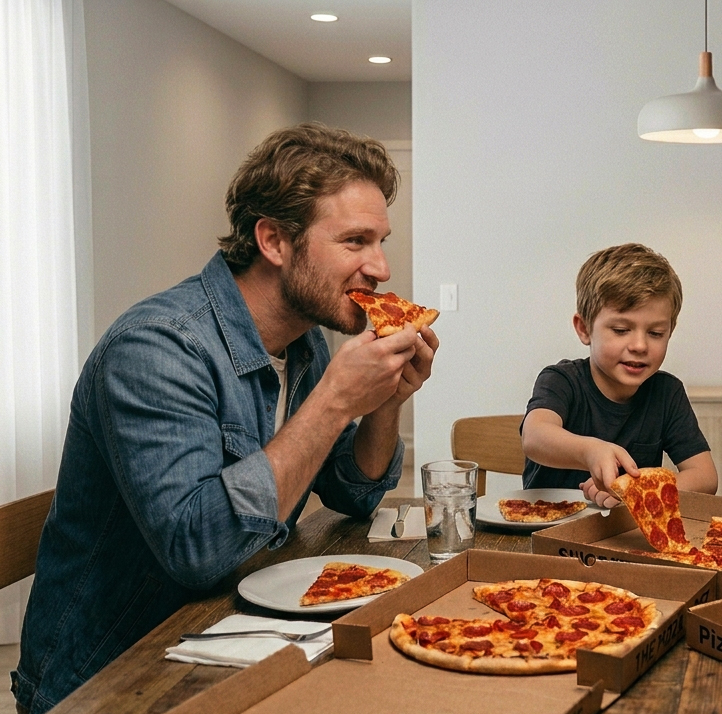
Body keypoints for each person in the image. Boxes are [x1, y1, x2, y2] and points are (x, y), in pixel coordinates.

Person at [11, 123, 437, 714]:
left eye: (380, 241)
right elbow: (199, 548)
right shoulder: (157, 349)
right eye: (355, 242)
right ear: (274, 241)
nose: (382, 268)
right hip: (112, 675)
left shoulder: (305, 343)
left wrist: (387, 400)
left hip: (235, 630)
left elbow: (353, 492)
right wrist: (335, 400)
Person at [521, 243, 717, 508]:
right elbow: (534, 437)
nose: (640, 345)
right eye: (621, 329)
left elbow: (705, 477)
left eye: (656, 333)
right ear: (584, 329)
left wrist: (641, 488)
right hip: (548, 528)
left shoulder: (667, 393)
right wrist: (590, 451)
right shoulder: (561, 380)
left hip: (624, 537)